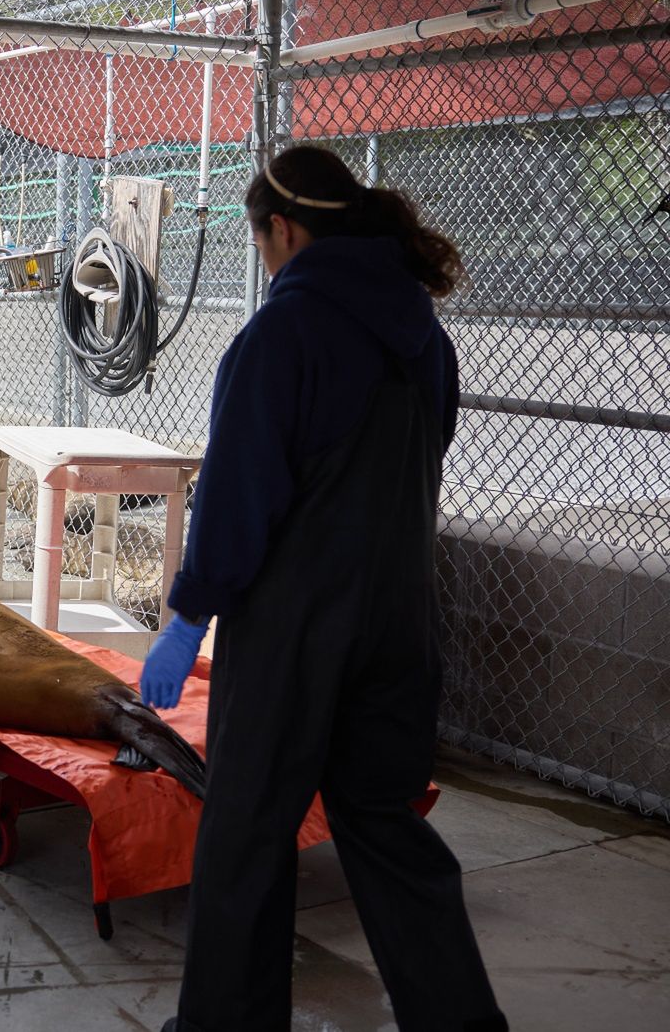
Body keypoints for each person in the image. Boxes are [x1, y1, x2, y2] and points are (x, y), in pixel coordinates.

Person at [139, 146, 507, 1032]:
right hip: (401, 623)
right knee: (384, 827)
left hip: (295, 632)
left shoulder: (281, 336)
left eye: (260, 238)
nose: (262, 257)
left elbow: (237, 500)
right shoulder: (426, 338)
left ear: (287, 229)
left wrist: (190, 612)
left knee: (246, 836)